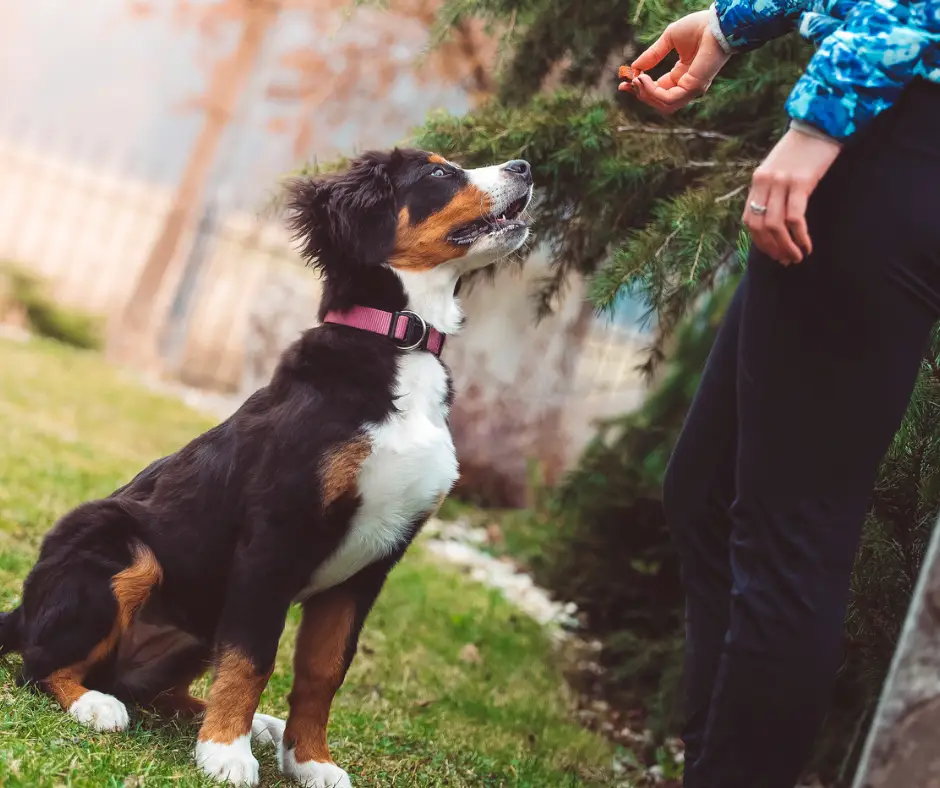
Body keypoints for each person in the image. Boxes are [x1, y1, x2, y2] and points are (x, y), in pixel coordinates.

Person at [620, 2, 940, 787]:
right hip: (892, 120)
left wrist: (823, 120)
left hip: (895, 128)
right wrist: (733, 22)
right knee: (709, 489)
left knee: (792, 539)